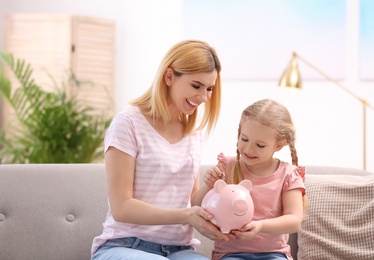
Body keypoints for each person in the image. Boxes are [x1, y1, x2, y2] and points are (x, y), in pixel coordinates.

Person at [91, 39, 229, 260]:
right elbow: (122, 207)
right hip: (125, 245)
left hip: (179, 249)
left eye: (209, 88)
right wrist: (186, 216)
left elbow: (192, 200)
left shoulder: (193, 133)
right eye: (196, 86)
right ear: (169, 76)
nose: (203, 97)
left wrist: (212, 191)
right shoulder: (128, 123)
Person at [192, 99, 307, 260]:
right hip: (230, 254)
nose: (248, 149)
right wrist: (209, 185)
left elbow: (294, 220)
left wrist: (260, 226)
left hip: (274, 254)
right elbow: (196, 205)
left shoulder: (288, 174)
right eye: (244, 139)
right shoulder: (227, 166)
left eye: (260, 145)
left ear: (279, 145)